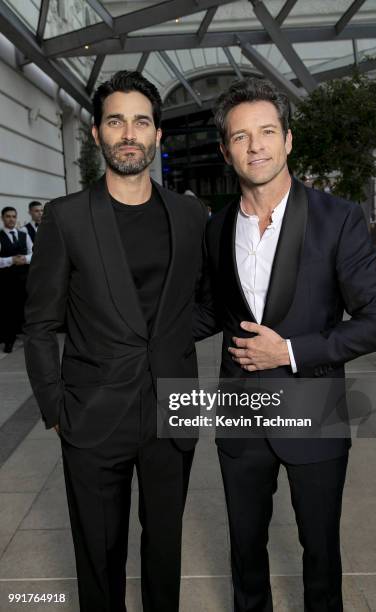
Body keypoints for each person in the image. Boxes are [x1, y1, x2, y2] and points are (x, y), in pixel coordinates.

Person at [194, 78, 376, 612]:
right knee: (244, 553)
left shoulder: (338, 218)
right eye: (241, 137)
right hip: (240, 414)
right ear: (225, 150)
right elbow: (213, 311)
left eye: (266, 132)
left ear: (288, 140)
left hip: (313, 405)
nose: (255, 145)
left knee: (320, 556)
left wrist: (288, 351)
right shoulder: (216, 227)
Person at [24, 70, 207, 612]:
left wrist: (169, 342)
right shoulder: (67, 218)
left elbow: (208, 304)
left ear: (157, 136)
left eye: (141, 121)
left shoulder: (190, 215)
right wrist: (54, 407)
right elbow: (39, 325)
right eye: (116, 120)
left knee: (165, 551)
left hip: (174, 406)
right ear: (98, 134)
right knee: (99, 560)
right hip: (91, 413)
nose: (129, 132)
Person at [0, 206, 32, 353]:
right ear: (2, 218)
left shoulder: (23, 235)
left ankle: (29, 341)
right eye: (8, 216)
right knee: (8, 311)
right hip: (6, 282)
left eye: (13, 216)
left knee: (25, 310)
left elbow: (34, 253)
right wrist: (11, 260)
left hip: (24, 279)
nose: (11, 219)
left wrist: (25, 258)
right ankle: (9, 341)